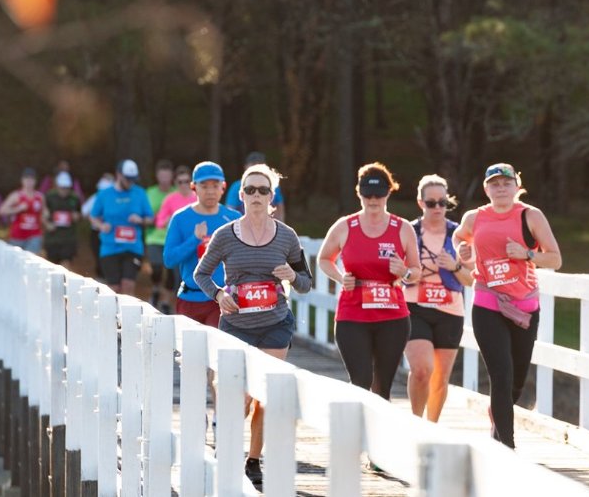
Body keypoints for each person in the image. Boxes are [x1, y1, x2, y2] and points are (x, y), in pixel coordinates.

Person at [194, 163, 312, 489]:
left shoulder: (286, 236)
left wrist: (292, 276)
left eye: (263, 190)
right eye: (250, 190)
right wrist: (218, 294)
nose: (256, 195)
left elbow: (306, 282)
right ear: (241, 195)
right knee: (240, 397)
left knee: (265, 395)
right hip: (237, 325)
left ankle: (253, 459)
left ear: (272, 196)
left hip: (274, 324)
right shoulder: (225, 235)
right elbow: (201, 274)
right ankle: (230, 451)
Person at [452, 162, 563, 448]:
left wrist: (527, 253)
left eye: (506, 183)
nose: (500, 188)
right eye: (494, 183)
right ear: (486, 188)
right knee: (500, 375)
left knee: (515, 382)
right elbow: (459, 238)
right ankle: (506, 447)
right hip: (488, 301)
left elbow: (555, 259)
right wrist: (463, 250)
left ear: (517, 186)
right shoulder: (475, 217)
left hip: (524, 307)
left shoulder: (530, 216)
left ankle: (497, 418)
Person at [316, 163, 420, 400]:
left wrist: (404, 271)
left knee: (382, 387)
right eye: (367, 194)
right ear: (359, 193)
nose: (373, 199)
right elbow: (324, 259)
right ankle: (357, 434)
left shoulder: (402, 228)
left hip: (392, 315)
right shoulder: (345, 226)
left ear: (388, 193)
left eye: (379, 194)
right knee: (361, 380)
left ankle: (378, 437)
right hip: (353, 313)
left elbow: (416, 272)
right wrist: (341, 277)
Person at [402, 175, 475, 422]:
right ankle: (415, 422)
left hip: (450, 311)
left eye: (442, 203)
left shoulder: (459, 235)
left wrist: (454, 266)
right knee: (422, 369)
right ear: (420, 203)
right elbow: (393, 270)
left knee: (440, 378)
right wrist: (410, 273)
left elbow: (470, 279)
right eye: (431, 203)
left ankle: (431, 427)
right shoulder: (408, 231)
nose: (437, 208)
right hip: (415, 306)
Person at [164, 162, 240, 327]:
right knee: (190, 351)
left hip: (222, 299)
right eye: (204, 186)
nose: (210, 191)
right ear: (193, 187)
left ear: (223, 187)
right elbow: (169, 259)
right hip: (190, 298)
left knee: (216, 349)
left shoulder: (234, 218)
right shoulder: (180, 218)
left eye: (215, 185)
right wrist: (194, 239)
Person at [89, 160, 154, 295]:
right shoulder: (105, 194)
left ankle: (130, 316)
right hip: (110, 247)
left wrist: (140, 220)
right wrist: (101, 225)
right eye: (128, 179)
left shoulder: (140, 193)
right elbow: (93, 216)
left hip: (133, 247)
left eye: (133, 179)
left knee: (128, 285)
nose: (131, 182)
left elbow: (150, 218)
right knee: (114, 288)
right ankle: (113, 316)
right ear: (118, 175)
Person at [145, 160, 177, 312]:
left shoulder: (177, 193)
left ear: (171, 177)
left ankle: (165, 302)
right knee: (156, 268)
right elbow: (143, 213)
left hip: (173, 238)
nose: (164, 179)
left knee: (171, 272)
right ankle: (156, 288)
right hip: (154, 237)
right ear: (157, 176)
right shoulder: (149, 193)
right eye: (161, 175)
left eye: (167, 175)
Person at [226, 151, 284, 221]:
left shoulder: (274, 186)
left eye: (263, 190)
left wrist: (280, 226)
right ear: (246, 167)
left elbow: (280, 208)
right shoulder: (236, 187)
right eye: (249, 190)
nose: (256, 168)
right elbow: (230, 211)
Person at [0, 167, 45, 253]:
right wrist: (18, 209)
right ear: (22, 181)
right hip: (17, 236)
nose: (29, 182)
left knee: (31, 260)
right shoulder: (16, 195)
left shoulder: (40, 197)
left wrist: (46, 219)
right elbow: (1, 211)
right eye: (26, 179)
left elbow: (44, 213)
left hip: (34, 235)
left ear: (35, 181)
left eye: (31, 179)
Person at [43, 171, 83, 269]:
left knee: (66, 264)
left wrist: (76, 216)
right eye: (62, 188)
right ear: (57, 186)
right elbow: (42, 214)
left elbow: (80, 214)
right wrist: (47, 224)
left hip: (69, 238)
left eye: (66, 188)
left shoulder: (75, 198)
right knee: (52, 266)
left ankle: (64, 283)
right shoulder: (49, 196)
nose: (64, 190)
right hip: (52, 238)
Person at [82, 173, 115, 274]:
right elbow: (84, 212)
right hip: (96, 232)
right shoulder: (94, 198)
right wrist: (95, 219)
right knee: (99, 257)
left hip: (112, 232)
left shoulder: (115, 199)